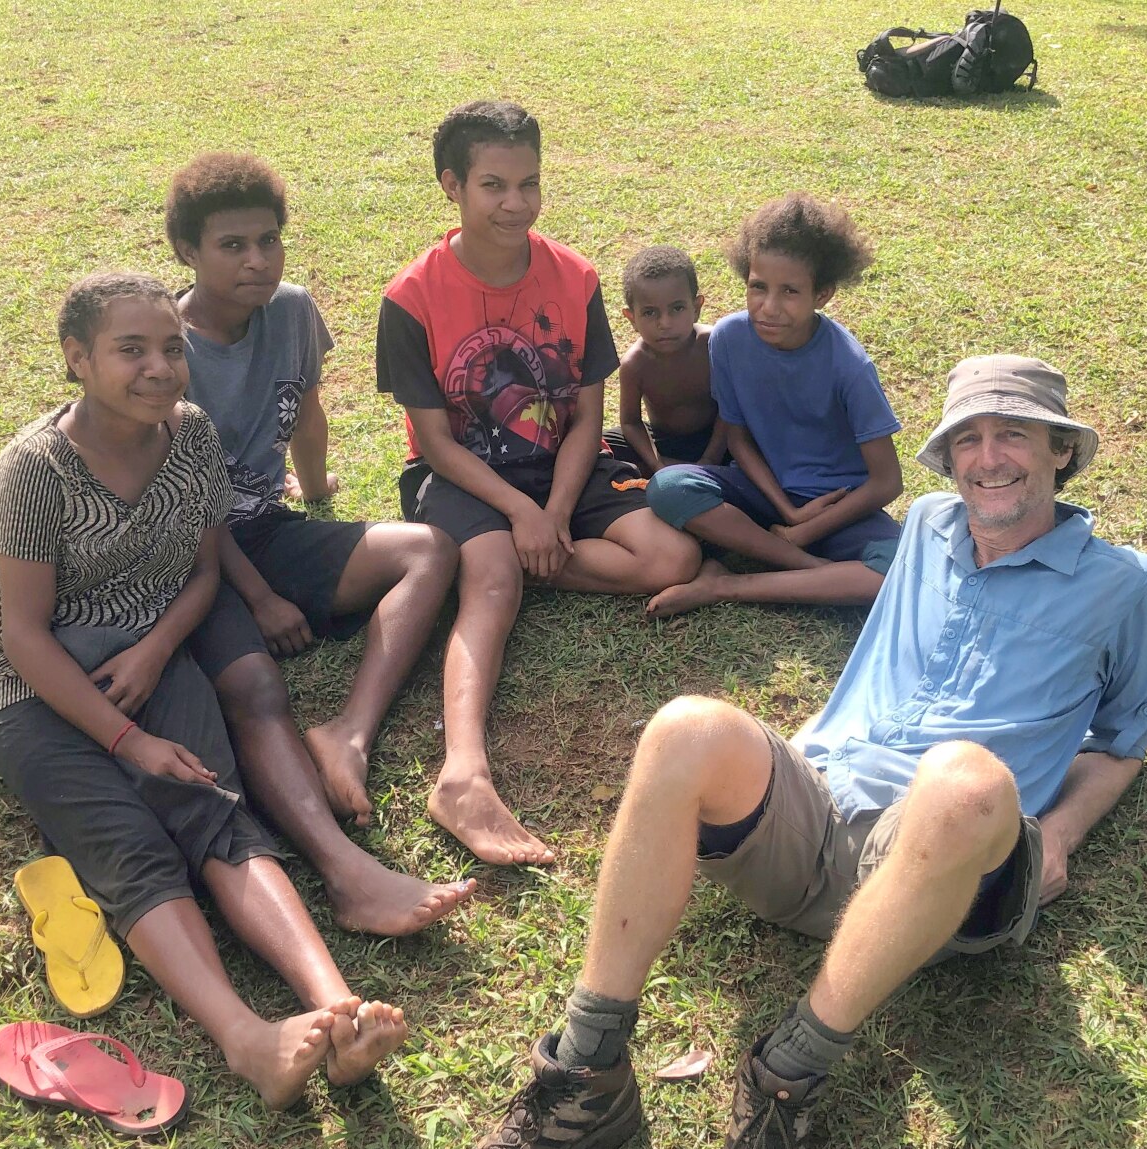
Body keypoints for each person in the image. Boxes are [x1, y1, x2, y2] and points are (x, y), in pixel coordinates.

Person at [438, 355, 1147, 1149]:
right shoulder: (931, 529)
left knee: (966, 780)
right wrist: (727, 585)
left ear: (1061, 452)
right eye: (970, 440)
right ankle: (584, 1072)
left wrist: (1058, 835)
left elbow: (1121, 742)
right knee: (687, 727)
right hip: (816, 818)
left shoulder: (1128, 584)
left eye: (1014, 435)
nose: (989, 459)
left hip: (950, 867)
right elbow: (849, 590)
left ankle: (787, 1079)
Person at [0, 272, 425, 1109]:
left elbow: (206, 571)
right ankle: (247, 1039)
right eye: (129, 350)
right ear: (77, 360)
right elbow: (22, 635)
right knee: (133, 845)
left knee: (216, 811)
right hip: (29, 685)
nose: (159, 368)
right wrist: (126, 738)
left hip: (146, 651)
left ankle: (336, 1005)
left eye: (170, 347)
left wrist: (157, 651)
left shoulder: (192, 435)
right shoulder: (32, 470)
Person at [375, 100, 701, 865]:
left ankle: (522, 564)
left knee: (672, 558)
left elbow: (588, 417)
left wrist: (551, 510)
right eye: (493, 185)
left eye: (529, 183)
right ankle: (462, 773)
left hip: (560, 463)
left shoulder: (575, 276)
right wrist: (519, 511)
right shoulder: (411, 297)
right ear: (451, 186)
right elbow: (431, 439)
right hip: (461, 471)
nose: (515, 203)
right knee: (490, 578)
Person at [163, 154, 475, 939]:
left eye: (268, 240)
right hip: (186, 554)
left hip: (263, 530)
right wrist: (261, 597)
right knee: (258, 688)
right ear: (188, 253)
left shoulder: (292, 311)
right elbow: (190, 505)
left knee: (429, 551)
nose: (256, 260)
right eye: (231, 245)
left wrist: (320, 497)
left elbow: (303, 413)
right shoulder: (166, 348)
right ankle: (347, 873)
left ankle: (350, 733)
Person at [643, 195, 904, 618]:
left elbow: (887, 482)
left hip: (839, 508)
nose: (769, 307)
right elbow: (737, 435)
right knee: (669, 487)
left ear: (822, 294)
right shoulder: (728, 339)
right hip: (766, 497)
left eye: (790, 292)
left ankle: (727, 585)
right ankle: (812, 573)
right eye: (757, 287)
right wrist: (788, 513)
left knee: (896, 571)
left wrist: (808, 528)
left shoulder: (850, 366)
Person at [604, 246, 722, 473]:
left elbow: (731, 410)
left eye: (677, 308)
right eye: (649, 313)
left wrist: (710, 458)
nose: (665, 323)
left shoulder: (713, 345)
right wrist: (656, 463)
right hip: (664, 444)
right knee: (602, 445)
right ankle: (675, 471)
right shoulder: (634, 364)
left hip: (718, 438)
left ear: (696, 308)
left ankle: (706, 471)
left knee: (754, 436)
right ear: (631, 318)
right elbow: (630, 422)